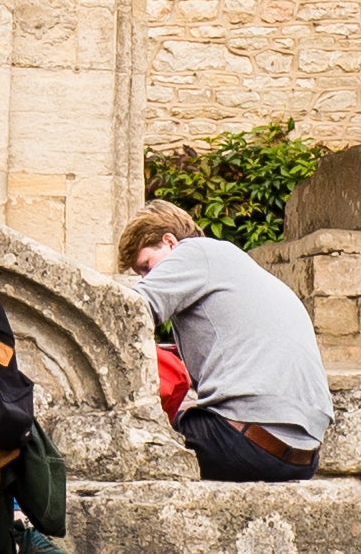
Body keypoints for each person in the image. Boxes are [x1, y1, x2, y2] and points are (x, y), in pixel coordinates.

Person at [123, 202, 332, 484]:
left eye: (146, 266)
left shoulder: (193, 253)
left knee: (135, 433)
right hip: (304, 457)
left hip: (248, 445)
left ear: (169, 241)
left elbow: (128, 311)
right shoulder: (235, 264)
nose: (149, 278)